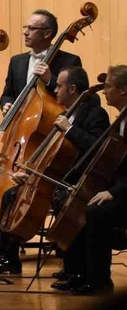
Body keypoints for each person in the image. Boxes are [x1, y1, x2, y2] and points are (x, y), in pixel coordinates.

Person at [0, 65, 110, 275]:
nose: (55, 90)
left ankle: (73, 267)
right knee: (10, 195)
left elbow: (96, 147)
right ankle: (7, 258)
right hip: (56, 177)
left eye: (59, 86)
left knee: (63, 202)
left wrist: (70, 129)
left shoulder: (95, 114)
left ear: (72, 89)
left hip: (77, 180)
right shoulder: (66, 113)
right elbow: (51, 154)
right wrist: (30, 172)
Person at [53, 64, 127, 295]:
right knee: (78, 200)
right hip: (118, 186)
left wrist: (113, 192)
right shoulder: (121, 118)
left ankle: (99, 280)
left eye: (108, 86)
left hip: (124, 191)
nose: (103, 91)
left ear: (123, 90)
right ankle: (78, 273)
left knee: (95, 211)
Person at [0, 9, 83, 111]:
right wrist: (6, 105)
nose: (25, 32)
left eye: (31, 28)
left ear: (47, 33)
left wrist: (50, 80)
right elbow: (7, 95)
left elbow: (76, 97)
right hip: (21, 119)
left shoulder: (70, 61)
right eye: (26, 27)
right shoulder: (16, 61)